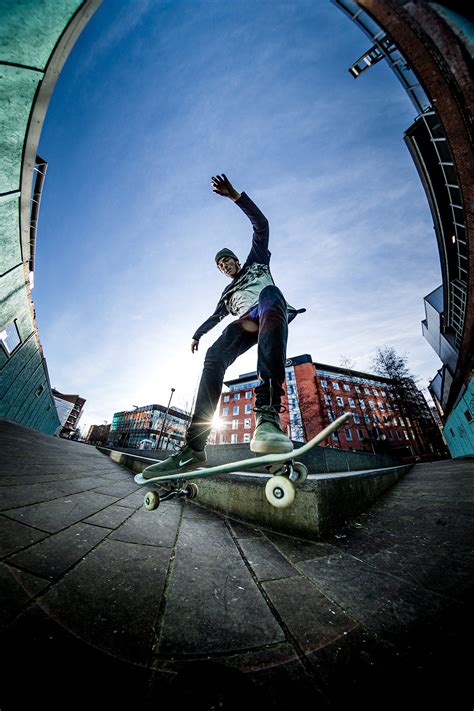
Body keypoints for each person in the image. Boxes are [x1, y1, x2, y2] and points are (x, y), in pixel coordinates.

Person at [143, 174, 305, 479]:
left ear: (234, 260)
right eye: (221, 266)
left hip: (270, 311)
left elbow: (262, 226)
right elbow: (214, 317)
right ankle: (193, 448)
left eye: (227, 261)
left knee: (271, 294)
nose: (225, 266)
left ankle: (267, 415)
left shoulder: (256, 261)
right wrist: (197, 334)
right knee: (215, 356)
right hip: (245, 322)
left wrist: (235, 196)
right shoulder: (226, 295)